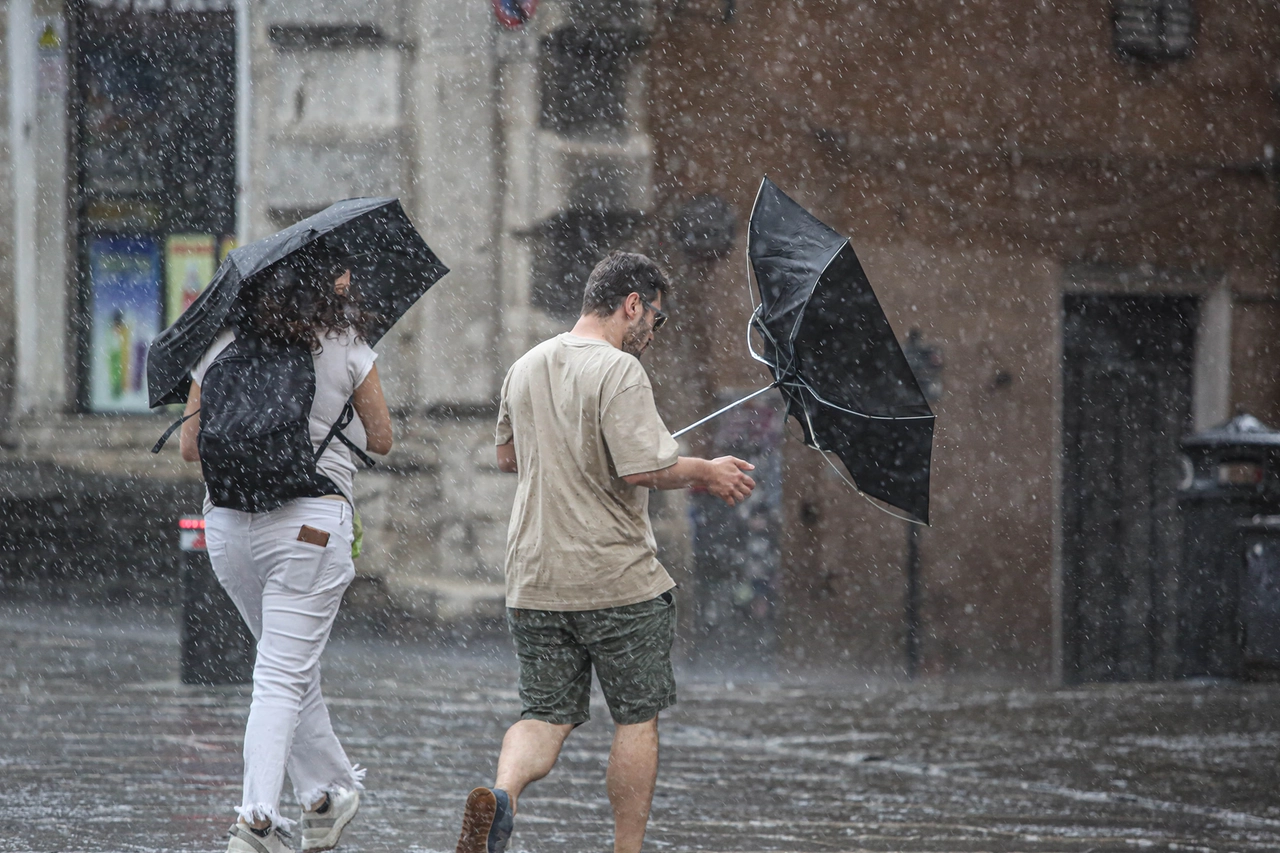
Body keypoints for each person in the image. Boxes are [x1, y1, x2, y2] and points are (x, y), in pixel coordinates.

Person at [453, 251, 756, 853]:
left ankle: (503, 795)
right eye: (656, 319)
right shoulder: (620, 371)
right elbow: (647, 467)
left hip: (535, 578)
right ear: (632, 304)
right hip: (615, 579)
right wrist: (706, 470)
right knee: (635, 718)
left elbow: (508, 458)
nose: (653, 333)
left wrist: (571, 449)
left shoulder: (526, 365)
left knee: (544, 715)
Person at [179, 259, 393, 853]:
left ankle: (326, 795)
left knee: (289, 669)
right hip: (309, 528)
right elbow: (382, 440)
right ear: (325, 282)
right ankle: (257, 821)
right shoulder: (346, 343)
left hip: (228, 528)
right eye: (343, 271)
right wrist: (332, 414)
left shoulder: (219, 341)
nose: (351, 277)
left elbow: (189, 449)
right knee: (280, 675)